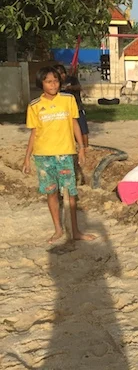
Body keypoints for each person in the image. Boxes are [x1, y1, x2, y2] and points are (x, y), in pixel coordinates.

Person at [22, 66, 95, 243]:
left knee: (70, 193)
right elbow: (34, 133)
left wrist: (82, 148)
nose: (53, 84)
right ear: (42, 84)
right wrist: (27, 158)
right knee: (52, 192)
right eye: (48, 81)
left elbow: (75, 124)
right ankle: (58, 230)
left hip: (65, 154)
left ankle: (75, 231)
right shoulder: (34, 106)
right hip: (43, 156)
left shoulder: (68, 99)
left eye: (55, 80)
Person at [54, 64, 89, 148]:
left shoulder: (72, 80)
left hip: (77, 108)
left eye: (61, 74)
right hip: (64, 111)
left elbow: (78, 87)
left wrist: (70, 87)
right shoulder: (56, 83)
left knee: (83, 130)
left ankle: (86, 147)